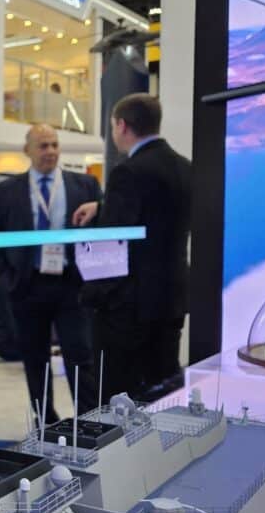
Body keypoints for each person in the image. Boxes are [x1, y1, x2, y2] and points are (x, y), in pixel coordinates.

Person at [74, 93, 192, 405]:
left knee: (119, 401)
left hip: (128, 310)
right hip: (170, 300)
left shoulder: (127, 172)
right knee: (163, 393)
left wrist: (92, 296)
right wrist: (102, 206)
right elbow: (155, 219)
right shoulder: (185, 167)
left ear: (122, 126)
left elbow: (111, 246)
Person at [0, 124, 101, 425]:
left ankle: (90, 420)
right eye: (43, 145)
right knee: (35, 358)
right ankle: (46, 420)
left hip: (72, 284)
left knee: (81, 355)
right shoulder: (8, 190)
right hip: (27, 285)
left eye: (54, 145)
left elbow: (101, 234)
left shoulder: (85, 185)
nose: (50, 151)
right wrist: (7, 281)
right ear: (28, 150)